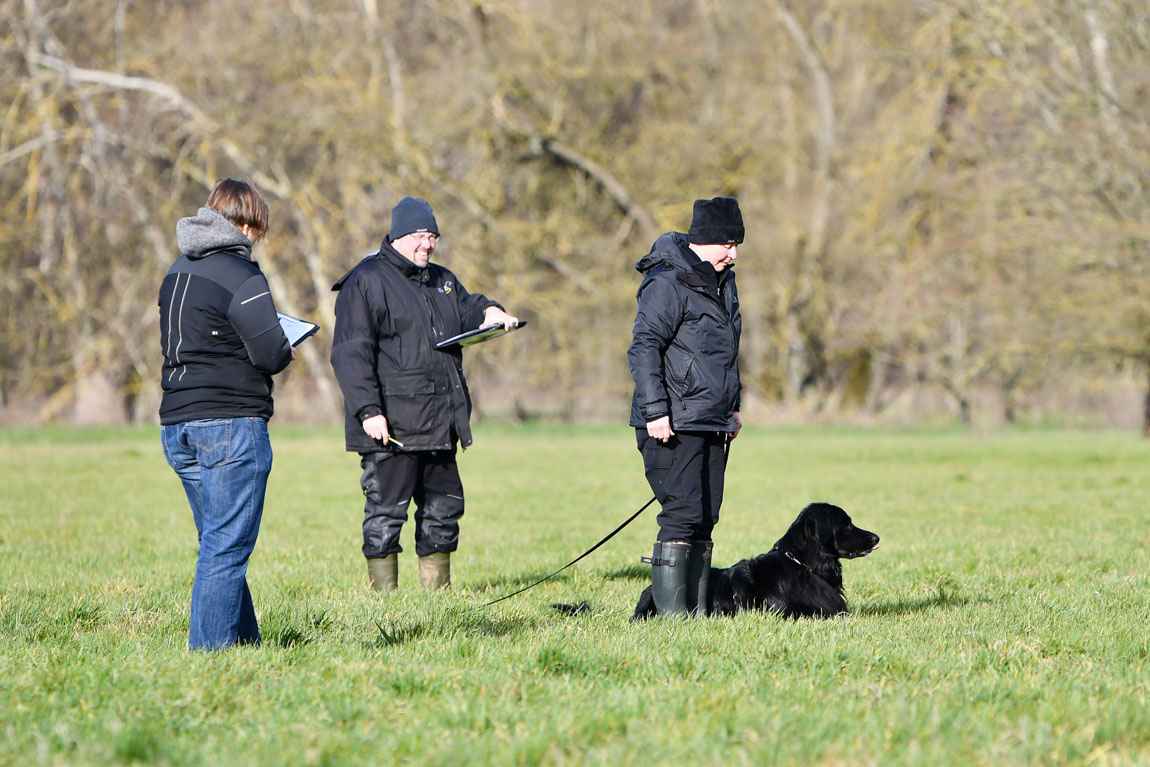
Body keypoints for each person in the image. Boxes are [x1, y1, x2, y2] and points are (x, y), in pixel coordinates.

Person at [330, 197, 517, 592]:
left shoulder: (441, 280)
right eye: (419, 236)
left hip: (439, 424)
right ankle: (386, 602)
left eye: (432, 237)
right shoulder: (366, 281)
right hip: (391, 428)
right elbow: (350, 353)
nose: (427, 245)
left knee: (444, 512)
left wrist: (493, 312)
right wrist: (368, 411)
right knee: (385, 515)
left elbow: (469, 308)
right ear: (398, 235)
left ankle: (436, 599)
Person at [158, 178, 295, 650]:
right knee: (226, 548)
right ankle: (209, 657)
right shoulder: (242, 275)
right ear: (243, 223)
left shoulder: (177, 270)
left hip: (177, 425)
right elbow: (272, 354)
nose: (257, 238)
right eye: (256, 227)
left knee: (218, 542)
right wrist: (286, 342)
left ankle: (247, 647)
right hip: (230, 424)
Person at [627, 196, 745, 617]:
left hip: (711, 419)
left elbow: (725, 351)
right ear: (704, 240)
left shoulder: (722, 282)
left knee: (707, 516)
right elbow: (644, 348)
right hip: (671, 421)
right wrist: (656, 410)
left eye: (736, 246)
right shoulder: (668, 282)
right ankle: (672, 619)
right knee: (682, 514)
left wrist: (732, 406)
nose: (733, 254)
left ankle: (695, 613)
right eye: (727, 244)